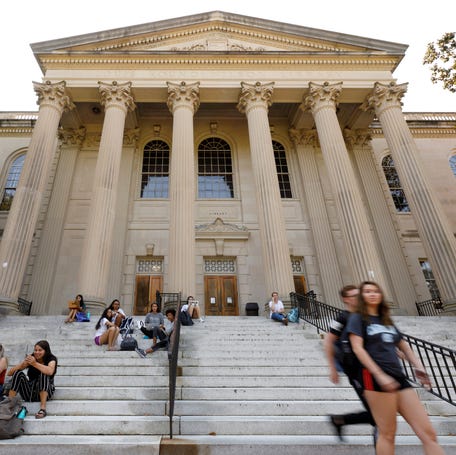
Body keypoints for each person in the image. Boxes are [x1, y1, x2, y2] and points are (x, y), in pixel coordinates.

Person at [347, 281, 445, 455]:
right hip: (374, 378)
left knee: (428, 433)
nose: (372, 294)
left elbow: (404, 346)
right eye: (367, 291)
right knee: (388, 434)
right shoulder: (357, 318)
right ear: (361, 297)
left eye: (375, 291)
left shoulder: (386, 320)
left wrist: (418, 367)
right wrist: (379, 375)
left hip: (399, 377)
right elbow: (358, 348)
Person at [324, 285, 376, 441]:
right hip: (356, 370)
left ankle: (340, 420)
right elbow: (328, 342)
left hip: (372, 368)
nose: (358, 298)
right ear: (345, 299)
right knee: (377, 413)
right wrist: (333, 368)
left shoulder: (366, 316)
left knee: (379, 413)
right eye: (353, 295)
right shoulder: (342, 317)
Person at [7, 340, 57, 419]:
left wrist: (35, 364)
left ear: (46, 351)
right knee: (18, 373)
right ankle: (8, 405)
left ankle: (43, 409)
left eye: (40, 350)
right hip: (29, 392)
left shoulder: (51, 359)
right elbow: (9, 373)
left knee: (44, 372)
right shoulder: (31, 358)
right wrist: (22, 365)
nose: (37, 352)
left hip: (46, 391)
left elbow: (50, 371)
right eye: (35, 350)